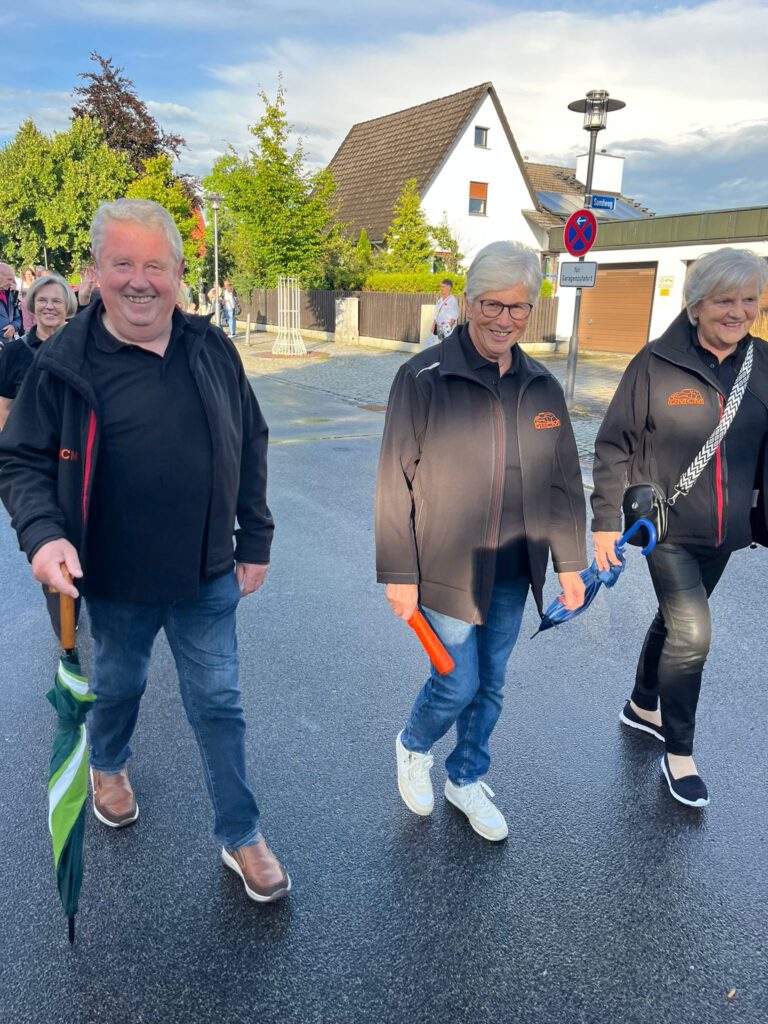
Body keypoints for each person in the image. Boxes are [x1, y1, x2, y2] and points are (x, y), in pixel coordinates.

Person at [0, 198, 290, 903]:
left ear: (179, 273)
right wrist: (44, 534)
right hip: (113, 579)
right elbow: (21, 460)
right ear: (95, 272)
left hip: (205, 575)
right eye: (122, 264)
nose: (139, 280)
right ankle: (107, 763)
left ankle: (241, 832)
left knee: (219, 704)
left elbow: (250, 439)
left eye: (154, 265)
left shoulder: (211, 348)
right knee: (120, 685)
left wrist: (255, 536)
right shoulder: (63, 363)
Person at [376, 240, 587, 841]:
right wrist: (398, 573)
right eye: (492, 304)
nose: (504, 319)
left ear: (531, 310)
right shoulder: (424, 377)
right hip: (447, 564)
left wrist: (570, 563)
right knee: (457, 680)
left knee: (491, 683)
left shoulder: (542, 385)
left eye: (518, 307)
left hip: (515, 566)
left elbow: (564, 480)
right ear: (469, 302)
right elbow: (395, 478)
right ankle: (414, 743)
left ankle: (466, 777)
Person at [591, 247, 768, 808]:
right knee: (692, 634)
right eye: (724, 300)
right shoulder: (655, 362)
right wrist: (604, 522)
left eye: (749, 300)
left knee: (674, 620)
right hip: (664, 528)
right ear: (695, 304)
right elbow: (613, 444)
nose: (738, 312)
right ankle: (680, 753)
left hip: (727, 531)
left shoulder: (762, 362)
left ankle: (642, 704)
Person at [0, 263, 22, 344]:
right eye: (9, 279)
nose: (11, 283)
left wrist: (13, 326)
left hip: (8, 344)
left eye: (13, 280)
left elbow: (18, 318)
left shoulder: (11, 294)